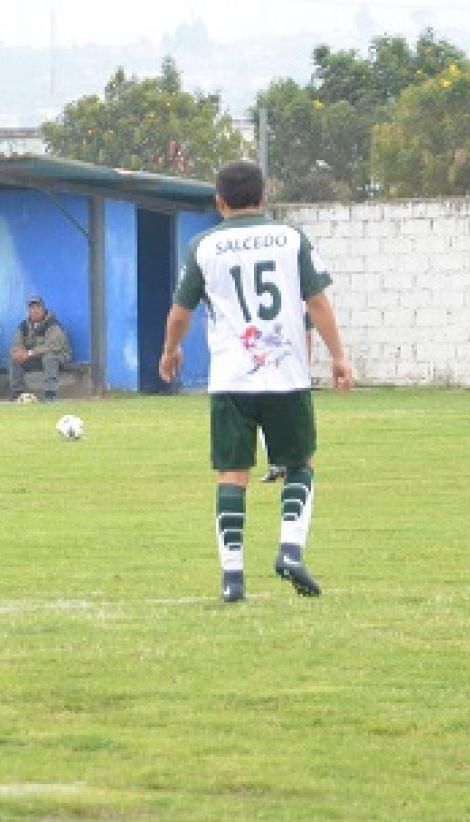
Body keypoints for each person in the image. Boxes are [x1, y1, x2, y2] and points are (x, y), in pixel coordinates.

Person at [158, 159, 354, 604]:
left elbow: (181, 313)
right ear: (264, 197)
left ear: (219, 201)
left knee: (232, 472)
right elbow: (317, 302)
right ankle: (290, 550)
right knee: (299, 463)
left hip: (232, 379)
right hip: (286, 374)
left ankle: (232, 577)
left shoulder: (203, 246)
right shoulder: (291, 238)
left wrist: (170, 350)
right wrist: (339, 357)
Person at [10, 297, 73, 402]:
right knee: (15, 359)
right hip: (36, 358)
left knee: (49, 358)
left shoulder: (53, 325)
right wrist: (18, 352)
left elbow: (53, 347)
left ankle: (50, 393)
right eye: (32, 308)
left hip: (60, 357)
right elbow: (16, 343)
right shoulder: (23, 326)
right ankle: (17, 393)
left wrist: (29, 353)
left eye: (38, 307)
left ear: (43, 309)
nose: (35, 311)